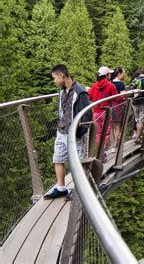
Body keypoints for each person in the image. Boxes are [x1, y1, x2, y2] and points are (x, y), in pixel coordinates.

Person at [44, 64, 91, 199]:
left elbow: (87, 115)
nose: (54, 81)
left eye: (54, 78)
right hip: (62, 131)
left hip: (75, 134)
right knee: (57, 159)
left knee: (78, 162)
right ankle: (61, 188)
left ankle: (79, 191)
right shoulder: (62, 91)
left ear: (61, 75)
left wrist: (79, 132)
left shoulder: (80, 92)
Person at [88, 66, 119, 154]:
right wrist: (125, 96)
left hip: (96, 112)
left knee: (98, 133)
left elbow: (90, 97)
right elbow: (117, 98)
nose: (110, 75)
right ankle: (104, 151)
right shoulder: (110, 85)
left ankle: (100, 152)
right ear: (106, 75)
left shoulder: (94, 86)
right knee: (106, 133)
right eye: (109, 74)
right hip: (106, 112)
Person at [110, 67, 127, 150]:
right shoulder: (120, 84)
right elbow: (123, 96)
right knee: (118, 127)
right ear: (119, 74)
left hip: (111, 106)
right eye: (123, 73)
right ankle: (116, 145)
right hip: (119, 106)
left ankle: (115, 144)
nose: (124, 75)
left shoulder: (110, 83)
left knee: (114, 127)